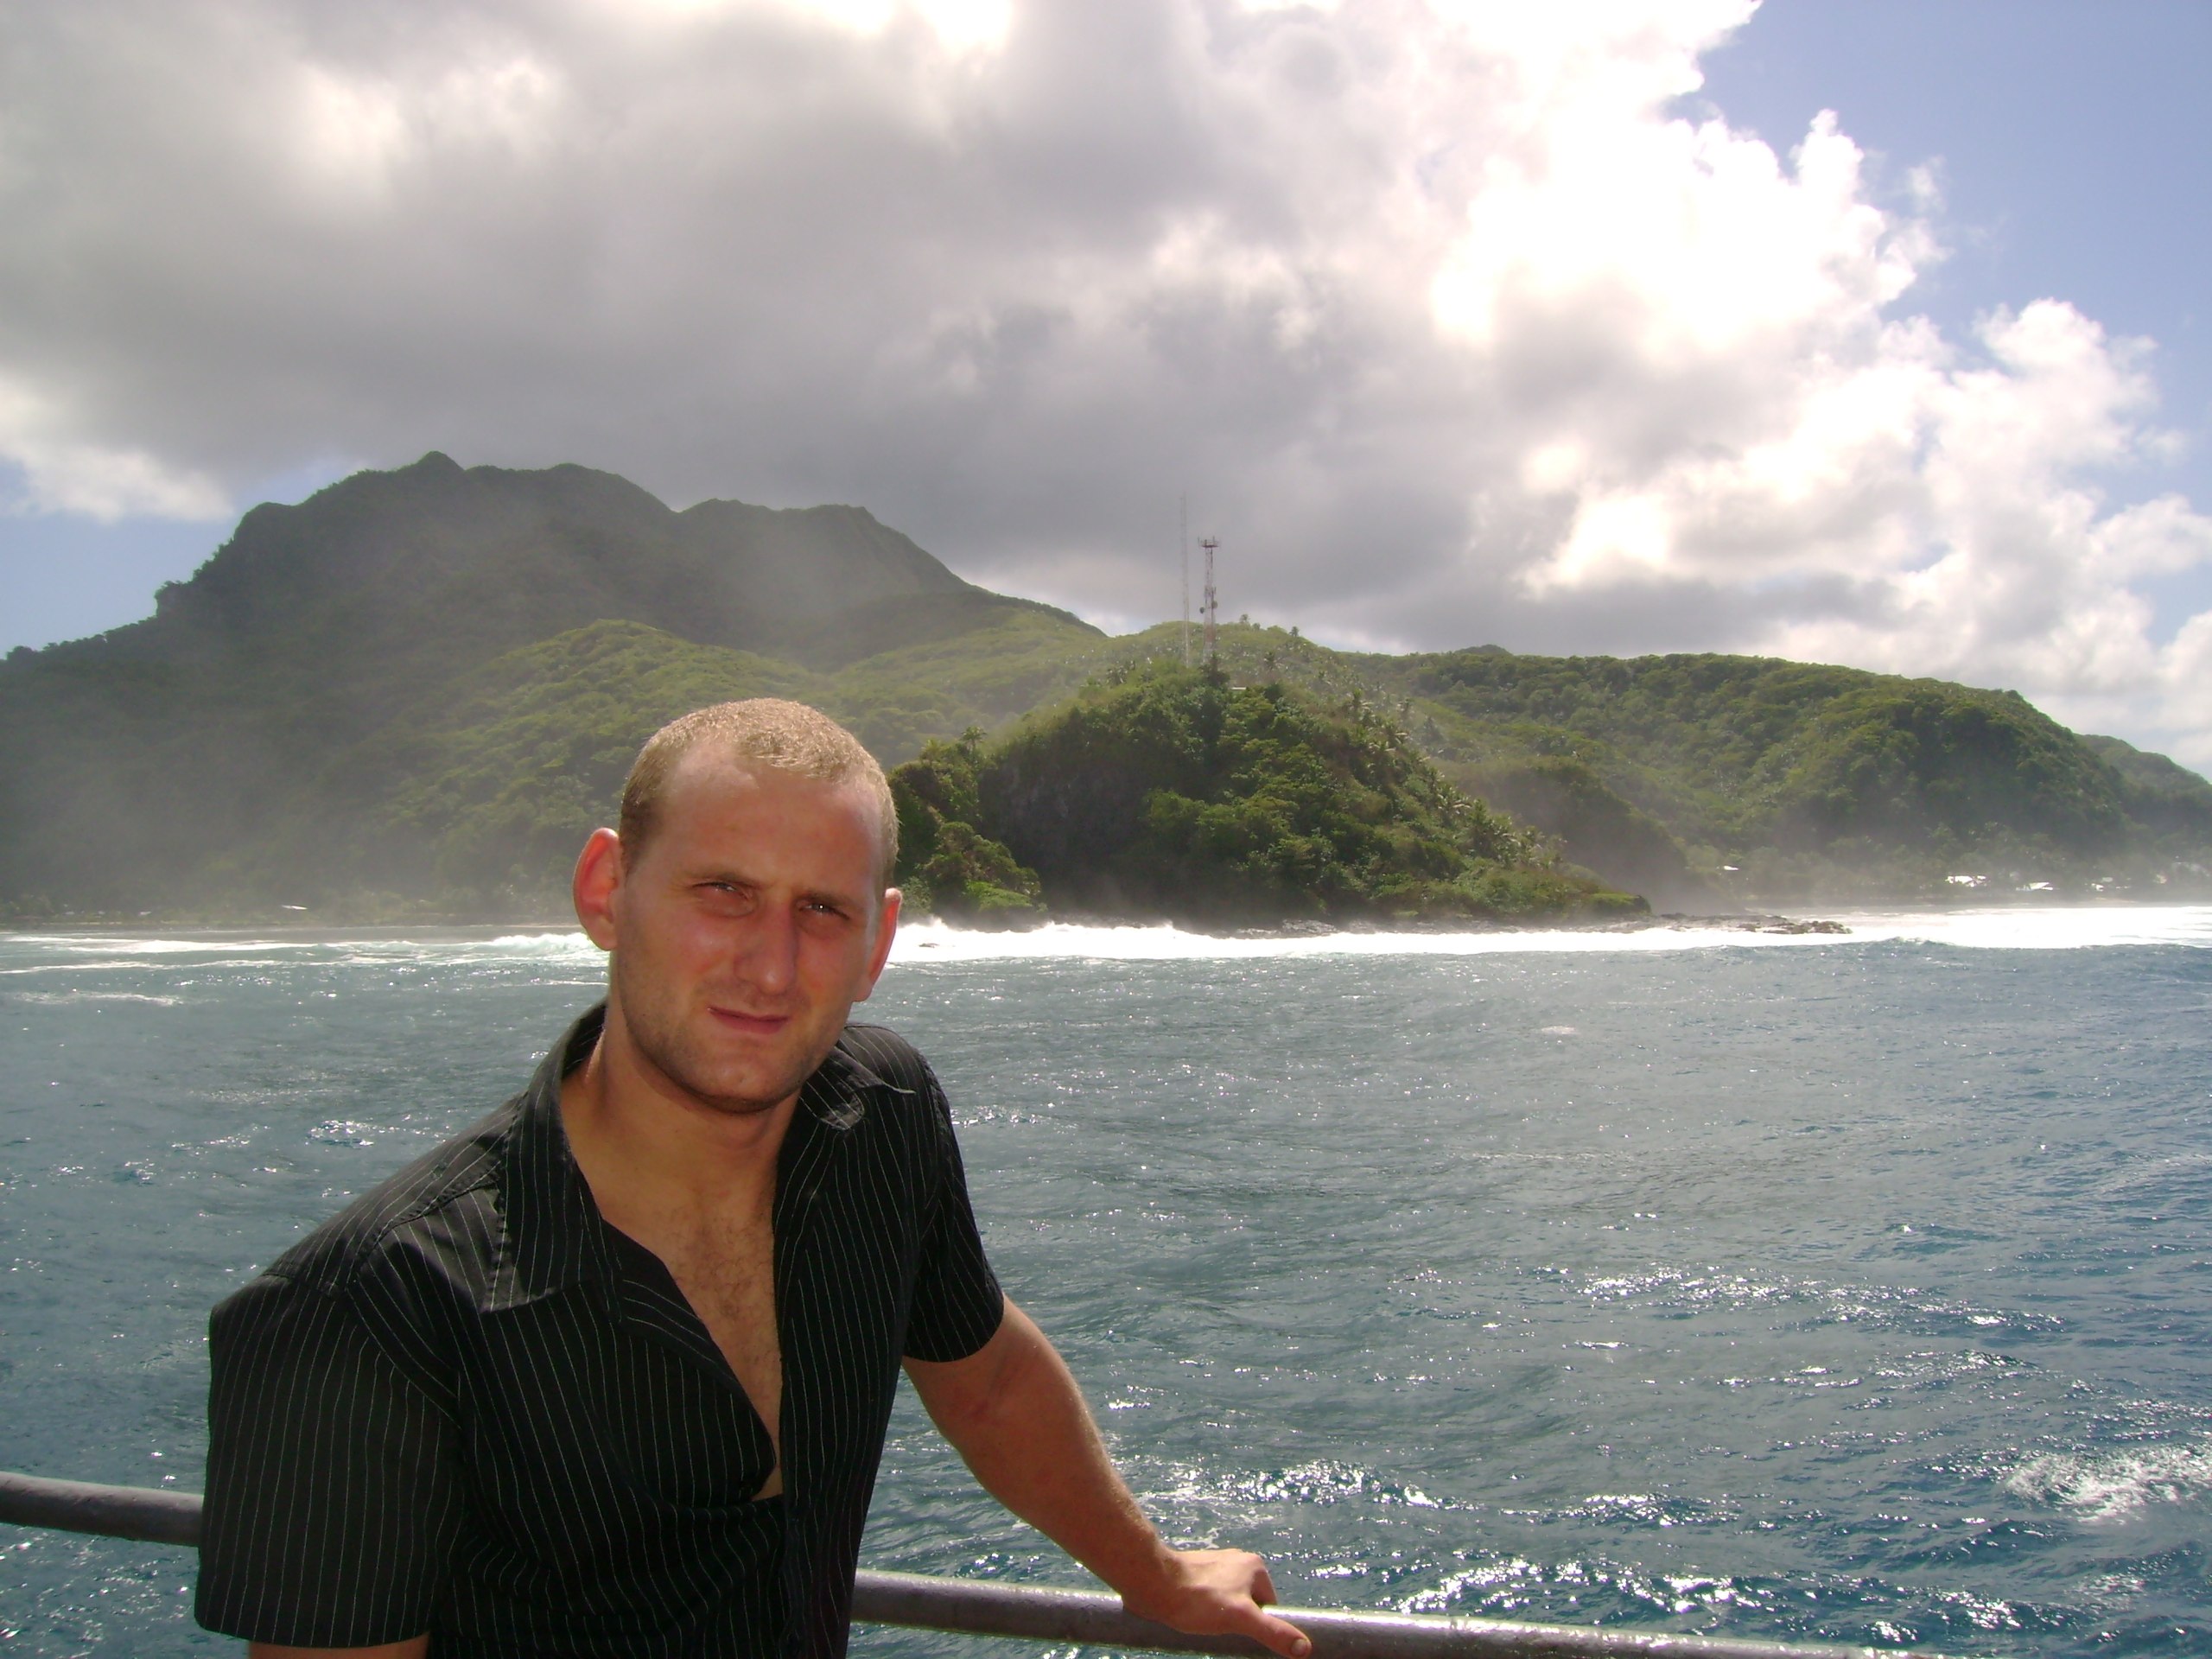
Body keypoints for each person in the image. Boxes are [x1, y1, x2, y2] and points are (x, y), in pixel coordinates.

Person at [195, 699, 1310, 1659]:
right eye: (723, 890)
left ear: (877, 945)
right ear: (606, 890)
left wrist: (1155, 1574)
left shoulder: (883, 1121)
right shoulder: (363, 1313)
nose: (771, 967)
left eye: (821, 910)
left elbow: (988, 1380)